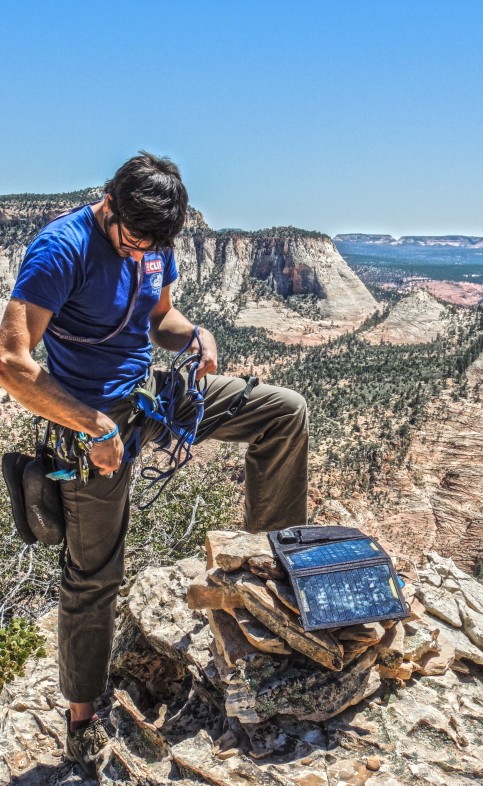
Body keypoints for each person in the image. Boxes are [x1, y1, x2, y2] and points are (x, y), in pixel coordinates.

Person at [0, 152, 308, 776]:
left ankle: (267, 574)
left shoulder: (153, 243)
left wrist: (196, 336)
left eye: (154, 243)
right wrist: (92, 424)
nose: (142, 250)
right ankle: (82, 718)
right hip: (87, 421)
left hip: (150, 397)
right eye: (133, 238)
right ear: (108, 203)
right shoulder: (62, 249)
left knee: (284, 412)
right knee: (93, 575)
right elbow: (11, 361)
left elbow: (159, 317)